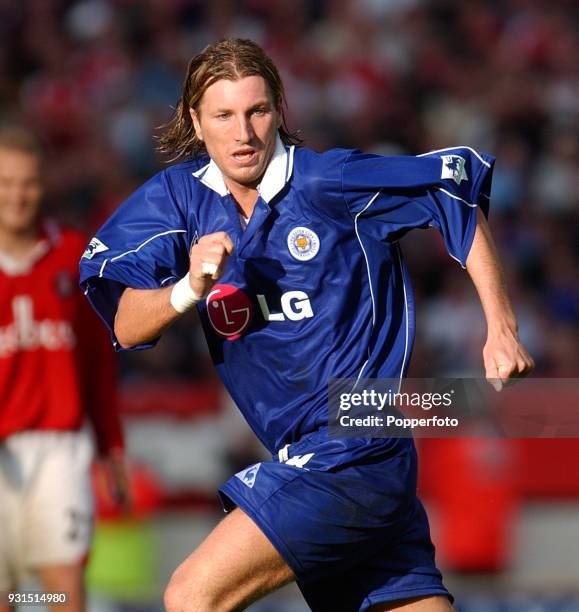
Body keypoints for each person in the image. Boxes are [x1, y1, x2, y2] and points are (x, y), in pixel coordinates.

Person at [80, 38, 533, 612]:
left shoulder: (328, 181)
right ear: (196, 121)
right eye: (224, 115)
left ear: (278, 110)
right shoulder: (175, 201)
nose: (244, 133)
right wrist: (187, 289)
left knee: (193, 595)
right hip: (316, 455)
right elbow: (124, 322)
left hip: (356, 435)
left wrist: (502, 325)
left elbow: (450, 191)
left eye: (257, 111)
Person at [0, 127, 127, 612]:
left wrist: (112, 446)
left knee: (63, 589)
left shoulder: (72, 254)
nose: (18, 195)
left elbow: (97, 362)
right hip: (1, 451)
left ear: (43, 185)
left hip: (60, 447)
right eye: (7, 183)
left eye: (28, 183)